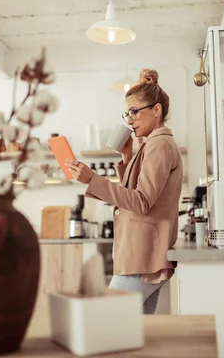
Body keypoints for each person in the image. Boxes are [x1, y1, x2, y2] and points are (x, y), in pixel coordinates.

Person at [66, 69, 183, 314]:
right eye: (126, 113)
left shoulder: (159, 144)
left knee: (104, 319)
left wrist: (92, 179)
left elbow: (141, 202)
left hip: (141, 256)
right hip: (142, 255)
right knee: (134, 332)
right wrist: (128, 159)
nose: (128, 120)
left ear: (156, 110)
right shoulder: (151, 144)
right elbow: (137, 195)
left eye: (134, 112)